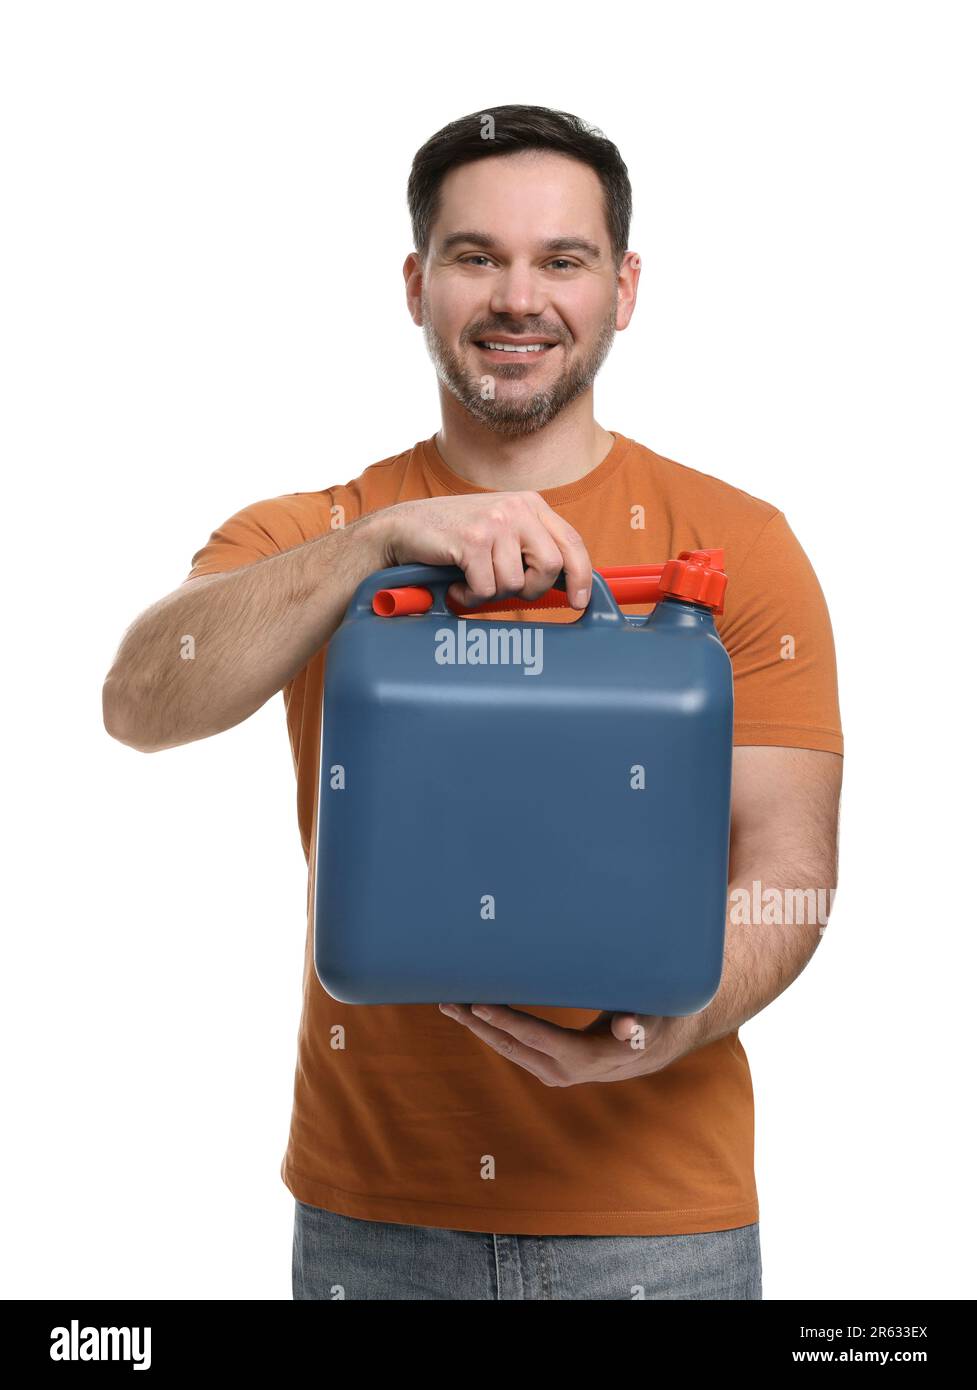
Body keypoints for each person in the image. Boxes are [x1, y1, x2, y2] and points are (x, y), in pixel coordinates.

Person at [102, 105, 843, 1301]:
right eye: (474, 256)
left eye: (562, 259)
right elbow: (139, 699)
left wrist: (657, 1034)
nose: (517, 297)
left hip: (659, 1223)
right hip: (372, 1221)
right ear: (414, 283)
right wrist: (380, 545)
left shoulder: (742, 548)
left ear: (623, 286)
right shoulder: (325, 533)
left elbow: (789, 872)